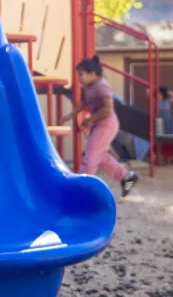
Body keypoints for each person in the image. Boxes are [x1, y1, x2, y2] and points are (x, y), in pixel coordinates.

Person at [59, 56, 140, 197]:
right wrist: (69, 116)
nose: (79, 78)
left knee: (89, 158)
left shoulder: (102, 86)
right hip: (99, 124)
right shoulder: (89, 86)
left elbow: (107, 109)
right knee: (100, 156)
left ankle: (81, 190)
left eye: (81, 75)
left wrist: (90, 119)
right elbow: (85, 103)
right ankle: (126, 176)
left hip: (106, 124)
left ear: (92, 74)